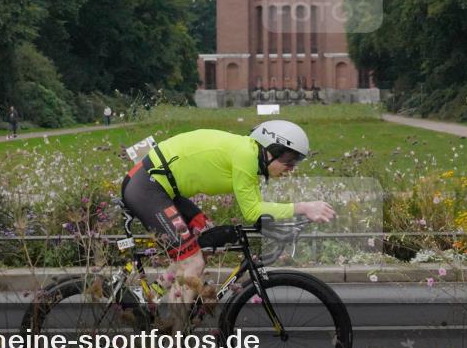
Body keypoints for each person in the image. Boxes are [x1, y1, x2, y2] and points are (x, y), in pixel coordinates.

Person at [121, 120, 335, 305]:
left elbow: (258, 210)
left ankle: (154, 294)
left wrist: (291, 220)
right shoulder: (246, 155)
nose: (291, 168)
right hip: (147, 187)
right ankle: (173, 336)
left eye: (296, 161)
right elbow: (253, 211)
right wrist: (303, 207)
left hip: (162, 188)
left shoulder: (251, 156)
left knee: (205, 236)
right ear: (271, 150)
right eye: (289, 160)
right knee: (193, 262)